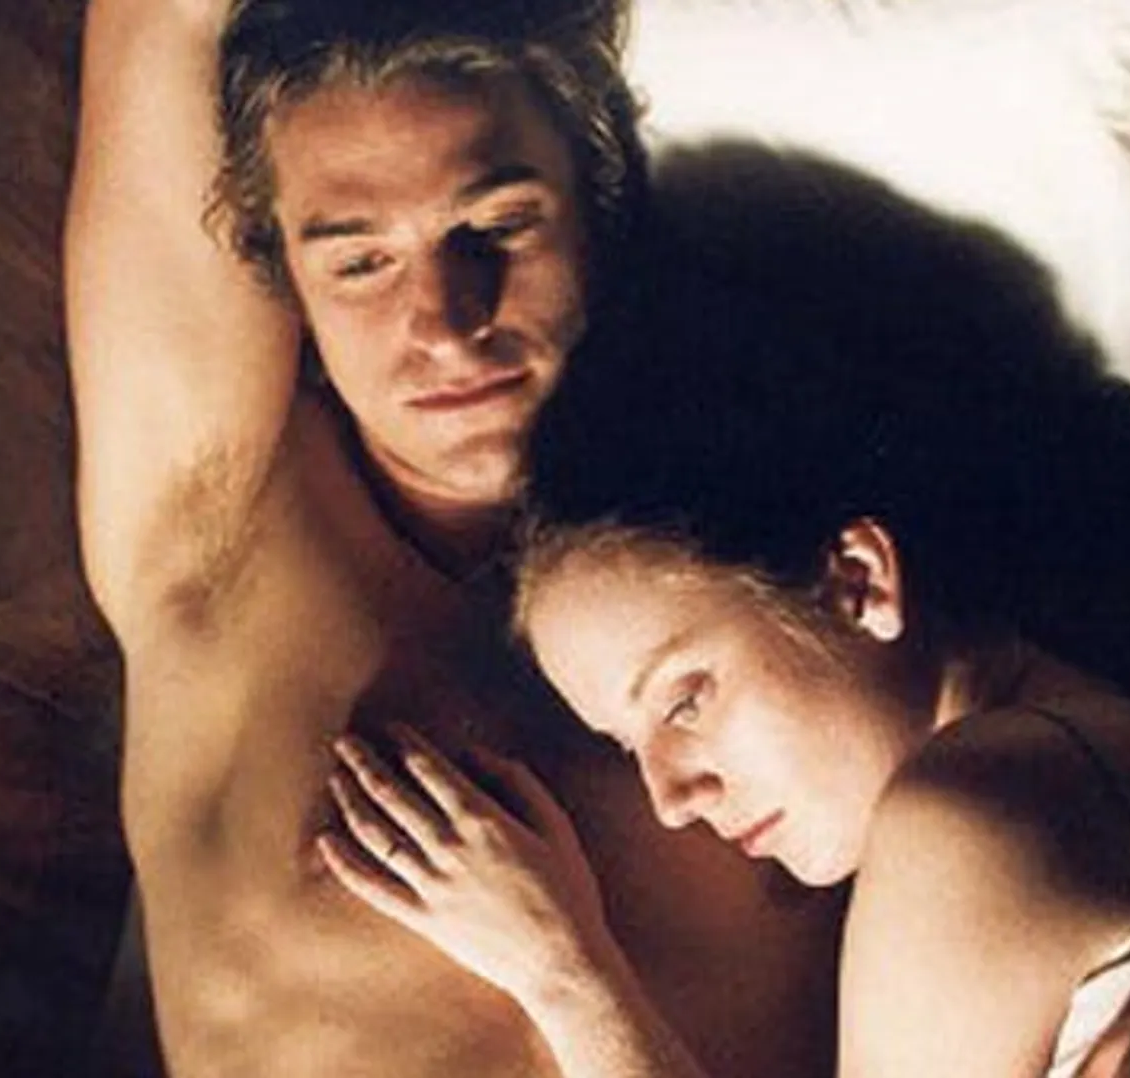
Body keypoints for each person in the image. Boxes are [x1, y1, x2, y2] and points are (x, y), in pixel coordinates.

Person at [63, 1, 842, 1075]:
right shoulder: (220, 538)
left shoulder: (797, 608)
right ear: (286, 280)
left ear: (595, 218)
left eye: (497, 227)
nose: (443, 321)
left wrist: (569, 973)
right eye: (360, 264)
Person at [319, 263, 1130, 1077]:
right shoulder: (1075, 743)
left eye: (684, 699)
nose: (672, 800)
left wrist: (562, 974)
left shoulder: (972, 811)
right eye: (628, 744)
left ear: (857, 583)